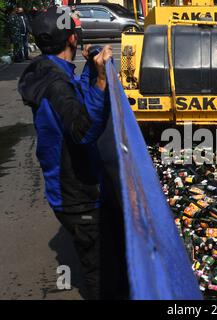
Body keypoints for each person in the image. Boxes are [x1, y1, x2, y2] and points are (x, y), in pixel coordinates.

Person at [18, 7, 113, 299]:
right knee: (100, 274)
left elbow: (73, 104)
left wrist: (87, 71)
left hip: (68, 187)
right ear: (72, 39)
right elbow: (82, 130)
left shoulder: (48, 71)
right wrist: (100, 80)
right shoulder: (55, 84)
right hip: (76, 196)